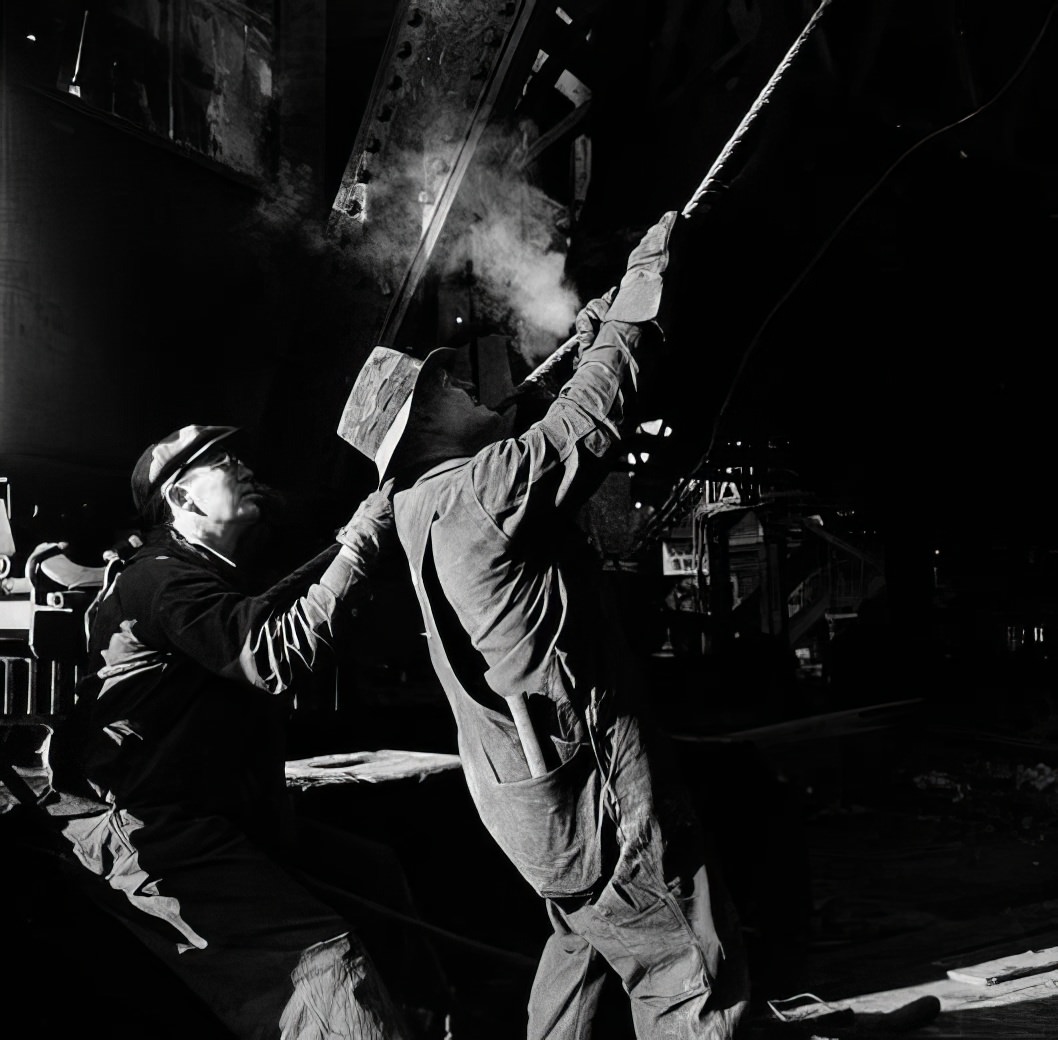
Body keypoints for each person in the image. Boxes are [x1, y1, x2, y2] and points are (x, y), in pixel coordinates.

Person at [340, 214, 750, 1039]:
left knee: (585, 952)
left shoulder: (427, 505)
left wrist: (593, 325)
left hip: (537, 815)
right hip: (597, 796)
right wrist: (639, 296)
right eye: (451, 391)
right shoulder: (480, 491)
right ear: (422, 429)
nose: (469, 390)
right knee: (686, 971)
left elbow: (532, 422)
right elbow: (586, 420)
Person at [52, 423, 421, 1040]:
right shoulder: (163, 581)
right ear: (181, 499)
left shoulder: (195, 575)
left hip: (213, 813)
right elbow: (274, 653)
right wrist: (361, 541)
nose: (243, 465)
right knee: (323, 962)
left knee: (371, 874)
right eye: (219, 461)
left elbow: (262, 619)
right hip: (158, 828)